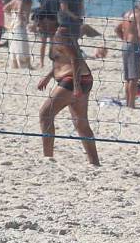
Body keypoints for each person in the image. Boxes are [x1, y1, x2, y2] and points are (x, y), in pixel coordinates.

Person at [37, 28, 99, 166]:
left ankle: (48, 159)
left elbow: (75, 60)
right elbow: (62, 61)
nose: (37, 24)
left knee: (45, 114)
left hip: (73, 80)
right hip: (83, 79)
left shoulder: (60, 36)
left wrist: (76, 86)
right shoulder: (57, 37)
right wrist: (47, 77)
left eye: (39, 21)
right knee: (81, 124)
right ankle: (95, 163)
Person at [115, 0, 140, 109]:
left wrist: (125, 39)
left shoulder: (128, 13)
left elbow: (117, 29)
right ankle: (131, 104)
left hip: (125, 45)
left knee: (128, 78)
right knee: (134, 78)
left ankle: (129, 103)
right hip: (134, 46)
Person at [33, 0, 60, 68]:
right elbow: (40, 9)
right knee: (44, 43)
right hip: (44, 23)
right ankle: (41, 62)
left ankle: (52, 62)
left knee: (52, 44)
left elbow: (57, 10)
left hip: (52, 22)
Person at [5, 0, 32, 69]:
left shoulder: (14, 0)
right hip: (19, 25)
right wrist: (23, 19)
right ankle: (23, 65)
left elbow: (5, 8)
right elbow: (20, 12)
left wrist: (12, 15)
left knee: (14, 45)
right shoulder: (20, 1)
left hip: (13, 24)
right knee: (22, 45)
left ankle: (14, 64)